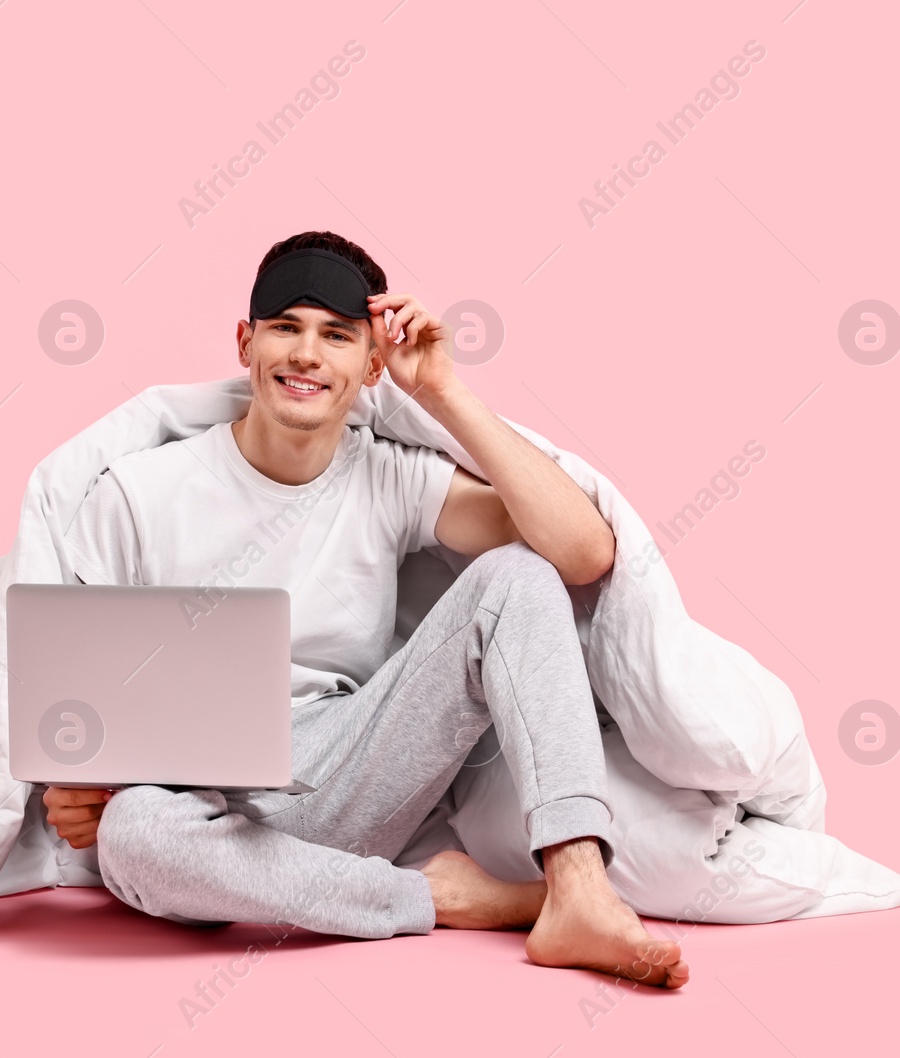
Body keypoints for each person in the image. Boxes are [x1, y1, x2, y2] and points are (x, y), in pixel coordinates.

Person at [44, 230, 689, 988]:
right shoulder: (137, 492)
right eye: (285, 327)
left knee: (517, 573)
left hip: (348, 770)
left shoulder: (389, 479)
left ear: (372, 363)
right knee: (132, 833)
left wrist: (443, 390)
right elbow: (79, 695)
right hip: (196, 798)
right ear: (246, 342)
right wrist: (78, 787)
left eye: (337, 335)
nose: (307, 355)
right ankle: (446, 898)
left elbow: (582, 551)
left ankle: (579, 890)